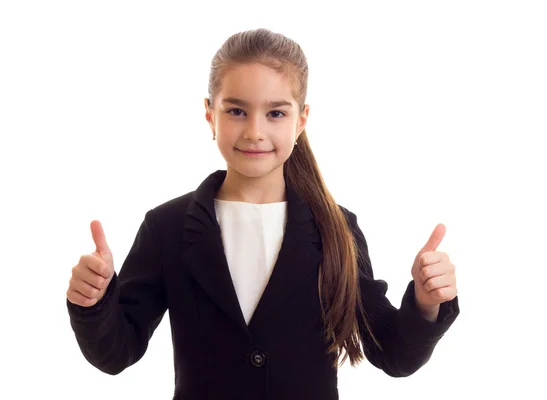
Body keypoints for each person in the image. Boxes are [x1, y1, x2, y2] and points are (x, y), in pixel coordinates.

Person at [66, 28, 460, 400]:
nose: (255, 131)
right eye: (237, 111)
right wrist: (94, 302)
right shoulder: (166, 227)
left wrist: (426, 304)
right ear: (210, 114)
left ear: (301, 120)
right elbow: (118, 351)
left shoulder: (337, 229)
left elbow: (392, 353)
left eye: (275, 114)